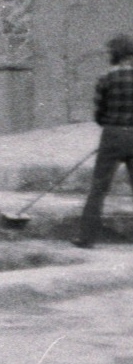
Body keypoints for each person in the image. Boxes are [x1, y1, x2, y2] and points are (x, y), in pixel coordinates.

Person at [75, 33, 133, 249]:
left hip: (112, 135)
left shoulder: (105, 78)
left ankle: (86, 238)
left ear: (115, 54)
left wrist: (110, 128)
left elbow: (99, 113)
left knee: (99, 188)